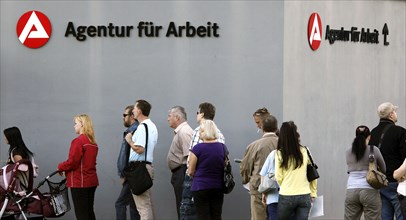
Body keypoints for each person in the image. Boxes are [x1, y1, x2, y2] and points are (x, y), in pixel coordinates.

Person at [180, 102, 225, 220]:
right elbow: (223, 163)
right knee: (216, 215)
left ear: (202, 114)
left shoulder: (197, 135)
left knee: (193, 212)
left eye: (197, 113)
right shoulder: (221, 140)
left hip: (199, 183)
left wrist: (193, 173)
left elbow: (191, 165)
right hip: (217, 185)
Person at [369, 102, 406, 220]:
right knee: (401, 215)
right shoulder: (400, 132)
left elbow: (371, 157)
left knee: (385, 216)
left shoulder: (372, 133)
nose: (396, 114)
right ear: (391, 115)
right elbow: (405, 157)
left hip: (380, 182)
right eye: (394, 111)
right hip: (397, 182)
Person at [58, 114, 99, 220]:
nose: (74, 126)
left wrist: (60, 166)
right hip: (91, 181)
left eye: (76, 123)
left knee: (82, 215)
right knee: (89, 212)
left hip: (80, 182)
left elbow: (72, 162)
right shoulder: (93, 143)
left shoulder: (78, 141)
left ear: (82, 124)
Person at [275, 121, 317, 220]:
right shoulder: (305, 150)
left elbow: (278, 176)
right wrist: (313, 192)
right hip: (304, 194)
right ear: (296, 134)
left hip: (286, 194)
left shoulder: (279, 153)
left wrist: (285, 185)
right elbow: (313, 173)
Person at [240, 115, 279, 220]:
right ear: (276, 128)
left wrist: (248, 183)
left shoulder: (253, 146)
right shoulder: (283, 144)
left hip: (258, 187)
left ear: (262, 128)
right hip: (279, 190)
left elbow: (245, 168)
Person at [125, 99, 158, 220]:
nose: (132, 110)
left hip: (139, 168)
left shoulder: (143, 127)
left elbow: (139, 149)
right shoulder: (151, 126)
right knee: (148, 205)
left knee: (143, 207)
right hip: (145, 167)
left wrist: (129, 140)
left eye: (134, 108)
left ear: (139, 110)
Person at [187, 120, 227, 220]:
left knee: (202, 216)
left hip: (200, 186)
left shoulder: (197, 148)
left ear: (205, 132)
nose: (200, 133)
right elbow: (225, 165)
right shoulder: (222, 148)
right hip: (218, 187)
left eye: (201, 131)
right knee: (216, 215)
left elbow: (190, 171)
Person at [345, 125, 386, 219]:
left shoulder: (348, 151)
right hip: (369, 190)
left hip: (351, 190)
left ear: (356, 136)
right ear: (369, 137)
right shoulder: (374, 150)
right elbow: (384, 169)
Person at [167, 106, 193, 219]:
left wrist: (187, 178)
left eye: (170, 116)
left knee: (183, 206)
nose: (168, 119)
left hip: (183, 173)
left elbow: (190, 157)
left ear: (177, 117)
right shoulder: (182, 131)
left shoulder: (184, 132)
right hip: (180, 173)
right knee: (181, 205)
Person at [116, 105, 140, 220]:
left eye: (125, 115)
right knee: (133, 205)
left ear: (132, 116)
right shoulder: (132, 130)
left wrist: (125, 174)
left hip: (131, 174)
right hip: (131, 174)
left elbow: (129, 155)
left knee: (120, 203)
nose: (123, 117)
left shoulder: (133, 130)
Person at [260, 149, 279, 220]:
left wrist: (264, 193)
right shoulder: (300, 153)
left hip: (273, 197)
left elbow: (263, 174)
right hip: (291, 197)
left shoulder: (274, 153)